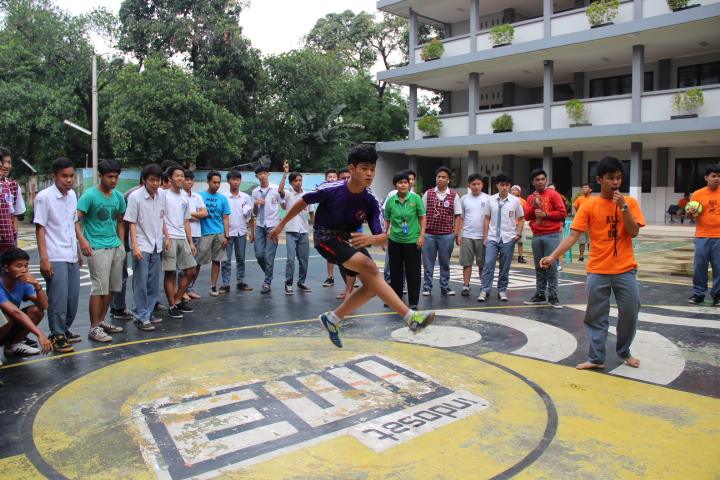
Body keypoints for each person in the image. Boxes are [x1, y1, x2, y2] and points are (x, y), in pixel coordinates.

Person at [269, 144, 435, 348]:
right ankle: (411, 318)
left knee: (371, 286)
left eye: (372, 169)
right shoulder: (332, 188)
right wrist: (280, 226)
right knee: (370, 268)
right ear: (352, 169)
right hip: (325, 236)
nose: (369, 173)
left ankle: (333, 319)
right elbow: (302, 202)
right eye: (364, 168)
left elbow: (382, 235)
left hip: (349, 238)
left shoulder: (370, 200)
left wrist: (374, 239)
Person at [540, 156, 644, 370]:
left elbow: (633, 232)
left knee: (630, 312)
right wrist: (553, 256)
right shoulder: (589, 206)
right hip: (598, 270)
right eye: (610, 178)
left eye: (618, 178)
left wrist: (623, 207)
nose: (615, 182)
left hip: (625, 269)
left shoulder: (630, 203)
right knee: (596, 315)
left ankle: (624, 351)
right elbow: (572, 236)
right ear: (599, 179)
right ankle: (596, 358)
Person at [34, 157, 81, 353]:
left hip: (70, 253)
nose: (69, 180)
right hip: (54, 254)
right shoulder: (44, 197)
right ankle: (57, 334)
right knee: (58, 298)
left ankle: (65, 329)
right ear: (55, 177)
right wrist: (44, 258)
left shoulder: (72, 196)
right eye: (64, 176)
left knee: (73, 297)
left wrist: (78, 250)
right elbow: (40, 228)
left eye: (71, 176)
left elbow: (72, 225)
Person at [76, 159, 127, 342]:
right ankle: (93, 327)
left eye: (116, 177)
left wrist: (121, 244)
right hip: (96, 247)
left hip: (114, 246)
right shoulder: (89, 195)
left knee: (112, 288)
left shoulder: (118, 197)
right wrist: (82, 241)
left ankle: (100, 321)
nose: (113, 180)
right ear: (101, 176)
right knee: (99, 287)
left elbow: (120, 220)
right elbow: (75, 219)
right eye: (109, 177)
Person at [124, 164, 165, 332]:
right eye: (152, 180)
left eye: (158, 180)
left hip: (157, 243)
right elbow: (131, 222)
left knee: (153, 282)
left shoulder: (161, 195)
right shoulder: (136, 197)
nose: (155, 184)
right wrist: (135, 246)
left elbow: (162, 217)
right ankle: (141, 315)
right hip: (142, 243)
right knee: (140, 282)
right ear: (144, 180)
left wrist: (167, 236)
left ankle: (147, 311)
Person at [523, 169, 567, 308]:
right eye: (537, 180)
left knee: (551, 265)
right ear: (533, 182)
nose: (540, 182)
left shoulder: (553, 194)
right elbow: (527, 216)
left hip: (552, 235)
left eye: (542, 179)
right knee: (539, 266)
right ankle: (540, 294)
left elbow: (562, 213)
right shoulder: (530, 198)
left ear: (546, 180)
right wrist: (534, 206)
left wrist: (545, 214)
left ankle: (553, 296)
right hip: (537, 235)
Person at [477, 174, 524, 302]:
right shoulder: (490, 200)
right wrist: (485, 236)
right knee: (488, 264)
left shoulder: (515, 201)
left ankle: (502, 290)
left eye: (507, 185)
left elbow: (521, 218)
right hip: (492, 237)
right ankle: (484, 290)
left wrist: (518, 233)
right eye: (501, 185)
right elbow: (486, 218)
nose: (504, 188)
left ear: (509, 186)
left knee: (505, 266)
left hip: (508, 238)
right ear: (497, 185)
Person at [383, 171, 426, 309]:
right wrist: (385, 238)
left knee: (413, 271)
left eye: (405, 182)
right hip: (395, 240)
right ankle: (395, 300)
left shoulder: (415, 199)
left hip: (412, 241)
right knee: (395, 272)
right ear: (395, 185)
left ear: (409, 184)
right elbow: (387, 220)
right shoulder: (390, 200)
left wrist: (421, 236)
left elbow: (422, 217)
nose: (403, 185)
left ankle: (413, 302)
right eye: (400, 182)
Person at [0, 248, 51, 357]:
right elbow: (15, 312)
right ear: (6, 268)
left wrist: (37, 285)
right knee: (6, 318)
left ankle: (13, 346)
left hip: (7, 325)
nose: (24, 270)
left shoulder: (22, 282)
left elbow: (44, 305)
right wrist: (40, 334)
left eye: (26, 265)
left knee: (37, 311)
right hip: (4, 320)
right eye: (19, 266)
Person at [161, 165, 197, 319]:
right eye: (177, 176)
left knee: (191, 271)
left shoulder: (184, 197)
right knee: (170, 273)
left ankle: (178, 299)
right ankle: (172, 305)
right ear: (170, 178)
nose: (180, 178)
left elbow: (186, 221)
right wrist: (167, 236)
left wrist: (191, 242)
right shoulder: (164, 195)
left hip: (182, 237)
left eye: (182, 176)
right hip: (169, 237)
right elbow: (160, 217)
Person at [422, 166, 462, 296]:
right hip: (429, 234)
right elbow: (422, 214)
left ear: (448, 180)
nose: (440, 179)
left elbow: (458, 216)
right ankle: (427, 287)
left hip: (446, 235)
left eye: (443, 177)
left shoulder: (454, 195)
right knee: (428, 264)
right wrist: (421, 233)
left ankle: (445, 286)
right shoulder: (428, 193)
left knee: (445, 263)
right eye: (438, 177)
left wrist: (455, 234)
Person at [686, 164, 720, 306]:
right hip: (702, 235)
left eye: (719, 176)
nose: (717, 178)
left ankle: (717, 295)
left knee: (719, 267)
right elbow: (689, 215)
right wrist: (690, 213)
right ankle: (699, 294)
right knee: (700, 266)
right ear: (706, 177)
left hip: (719, 236)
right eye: (713, 176)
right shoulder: (698, 194)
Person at [109, 179, 143, 321]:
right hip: (119, 240)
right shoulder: (134, 195)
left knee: (122, 274)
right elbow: (124, 220)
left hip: (124, 239)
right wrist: (124, 243)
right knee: (118, 274)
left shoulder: (124, 195)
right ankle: (117, 308)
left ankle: (119, 306)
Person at [278, 162, 313, 295]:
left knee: (304, 260)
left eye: (300, 180)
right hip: (291, 232)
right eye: (295, 181)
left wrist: (315, 229)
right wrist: (285, 173)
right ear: (291, 183)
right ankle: (288, 283)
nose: (298, 182)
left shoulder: (307, 196)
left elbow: (311, 212)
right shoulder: (288, 194)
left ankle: (301, 282)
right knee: (290, 259)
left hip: (304, 231)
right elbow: (280, 191)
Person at [198, 171, 230, 296]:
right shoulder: (199, 196)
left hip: (219, 233)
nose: (217, 185)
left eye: (218, 182)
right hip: (204, 233)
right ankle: (188, 289)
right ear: (208, 182)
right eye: (214, 182)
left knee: (217, 261)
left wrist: (227, 235)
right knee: (197, 262)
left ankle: (213, 287)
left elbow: (226, 217)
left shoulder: (222, 198)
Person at [382, 169, 417, 283]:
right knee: (391, 261)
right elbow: (386, 214)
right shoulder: (392, 195)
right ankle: (388, 281)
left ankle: (403, 283)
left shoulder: (415, 197)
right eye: (408, 179)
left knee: (407, 263)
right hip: (394, 234)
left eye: (411, 180)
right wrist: (386, 233)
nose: (409, 182)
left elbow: (420, 217)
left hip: (409, 236)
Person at [252, 164, 283, 294]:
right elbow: (254, 212)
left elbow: (284, 204)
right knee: (259, 255)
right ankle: (268, 273)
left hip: (272, 226)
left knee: (269, 256)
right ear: (257, 176)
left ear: (268, 174)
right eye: (260, 174)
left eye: (265, 173)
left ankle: (267, 282)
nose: (263, 175)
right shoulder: (255, 192)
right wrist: (255, 204)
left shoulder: (275, 189)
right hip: (259, 224)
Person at [458, 174, 490, 297]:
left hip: (483, 236)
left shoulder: (488, 198)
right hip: (467, 235)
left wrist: (488, 236)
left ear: (482, 185)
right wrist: (459, 234)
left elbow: (490, 218)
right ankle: (466, 286)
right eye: (473, 184)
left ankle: (484, 287)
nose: (476, 186)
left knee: (482, 264)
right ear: (469, 185)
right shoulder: (464, 199)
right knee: (467, 263)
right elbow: (461, 218)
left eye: (479, 184)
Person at [222, 170, 254, 293]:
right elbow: (221, 216)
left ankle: (241, 281)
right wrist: (223, 233)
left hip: (241, 232)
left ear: (240, 181)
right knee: (226, 259)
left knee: (241, 258)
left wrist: (252, 231)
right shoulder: (223, 197)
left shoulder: (246, 197)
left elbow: (250, 216)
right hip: (228, 233)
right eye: (233, 179)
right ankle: (225, 284)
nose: (235, 182)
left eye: (237, 179)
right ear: (228, 181)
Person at [181, 169, 207, 299]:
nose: (189, 182)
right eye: (187, 179)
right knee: (184, 265)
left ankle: (189, 288)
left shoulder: (197, 196)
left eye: (191, 179)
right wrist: (194, 215)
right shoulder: (179, 196)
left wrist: (189, 214)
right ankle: (181, 290)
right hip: (182, 234)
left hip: (197, 233)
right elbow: (180, 216)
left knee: (194, 264)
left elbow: (205, 213)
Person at [336, 167, 358, 300]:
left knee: (352, 262)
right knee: (341, 263)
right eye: (342, 178)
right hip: (336, 233)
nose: (345, 180)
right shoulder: (334, 193)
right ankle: (348, 289)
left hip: (353, 233)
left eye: (347, 177)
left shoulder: (357, 192)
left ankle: (351, 291)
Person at [0, 148, 26, 253]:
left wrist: (14, 243)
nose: (6, 166)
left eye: (9, 162)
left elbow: (14, 216)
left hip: (6, 243)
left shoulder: (13, 186)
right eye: (3, 162)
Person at [321, 168, 339, 288]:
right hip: (328, 226)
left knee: (348, 253)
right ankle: (330, 277)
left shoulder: (343, 190)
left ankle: (352, 278)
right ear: (326, 179)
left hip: (342, 226)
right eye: (330, 177)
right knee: (329, 252)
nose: (332, 179)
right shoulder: (322, 191)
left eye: (334, 177)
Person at [573, 183, 594, 262]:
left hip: (590, 223)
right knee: (581, 241)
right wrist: (579, 215)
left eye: (586, 187)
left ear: (590, 189)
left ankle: (590, 256)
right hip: (582, 223)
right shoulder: (579, 198)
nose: (584, 189)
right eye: (583, 187)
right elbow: (575, 207)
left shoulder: (593, 199)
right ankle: (581, 256)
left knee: (590, 241)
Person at [510, 185, 528, 264]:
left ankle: (520, 256)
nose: (513, 191)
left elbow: (525, 212)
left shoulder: (523, 201)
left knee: (520, 241)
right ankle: (509, 255)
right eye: (512, 190)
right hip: (510, 224)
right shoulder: (508, 200)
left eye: (515, 190)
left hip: (520, 224)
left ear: (519, 192)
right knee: (510, 241)